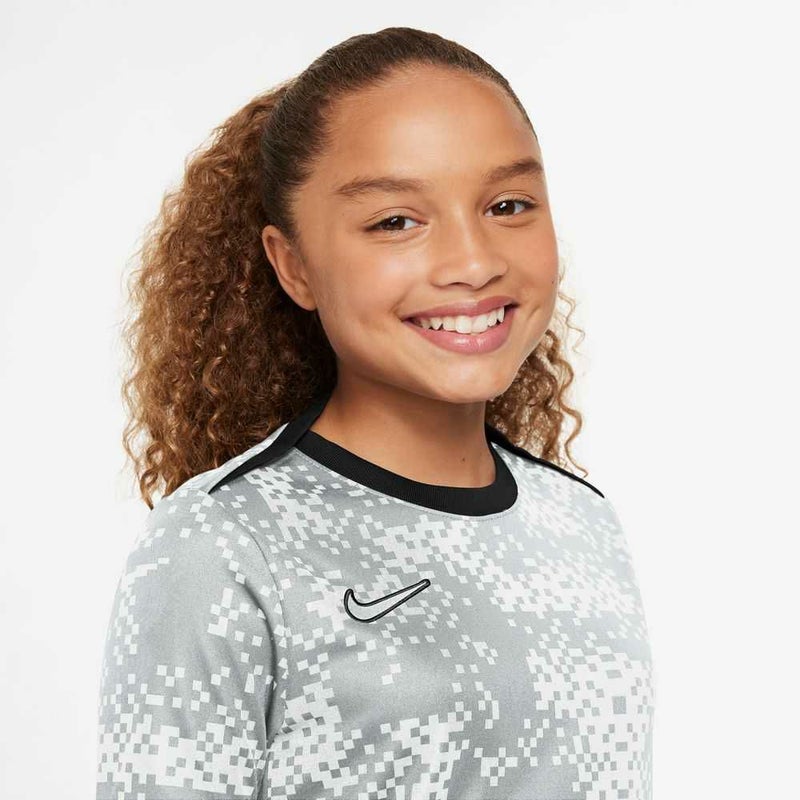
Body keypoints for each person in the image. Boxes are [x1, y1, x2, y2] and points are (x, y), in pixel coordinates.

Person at [95, 26, 655, 800]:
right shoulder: (223, 546)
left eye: (508, 205)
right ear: (294, 265)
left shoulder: (582, 524)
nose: (473, 262)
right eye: (396, 221)